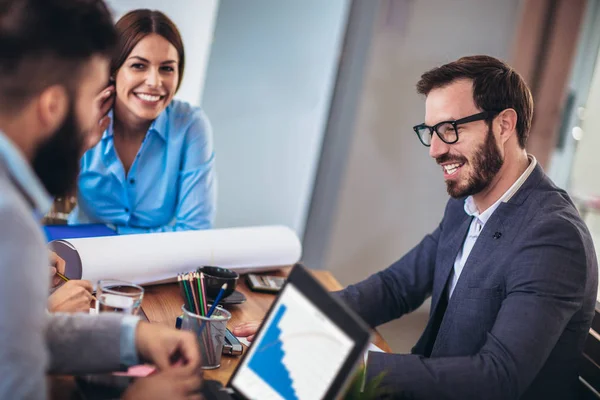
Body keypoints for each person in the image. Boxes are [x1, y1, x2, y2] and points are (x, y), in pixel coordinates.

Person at [234, 55, 599, 399]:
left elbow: (497, 378)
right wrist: (296, 321)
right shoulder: (467, 203)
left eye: (450, 129)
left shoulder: (552, 237)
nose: (435, 150)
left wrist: (344, 361)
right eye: (431, 132)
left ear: (504, 124)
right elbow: (396, 287)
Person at [0, 0, 204, 398]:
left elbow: (15, 336)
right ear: (53, 107)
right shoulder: (11, 226)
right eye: (93, 97)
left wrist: (134, 338)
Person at [68, 9, 216, 234]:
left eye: (166, 68)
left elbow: (195, 232)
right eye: (139, 65)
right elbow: (30, 203)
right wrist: (81, 143)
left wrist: (108, 234)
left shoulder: (190, 126)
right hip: (80, 258)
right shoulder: (82, 114)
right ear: (113, 70)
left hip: (161, 265)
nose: (155, 82)